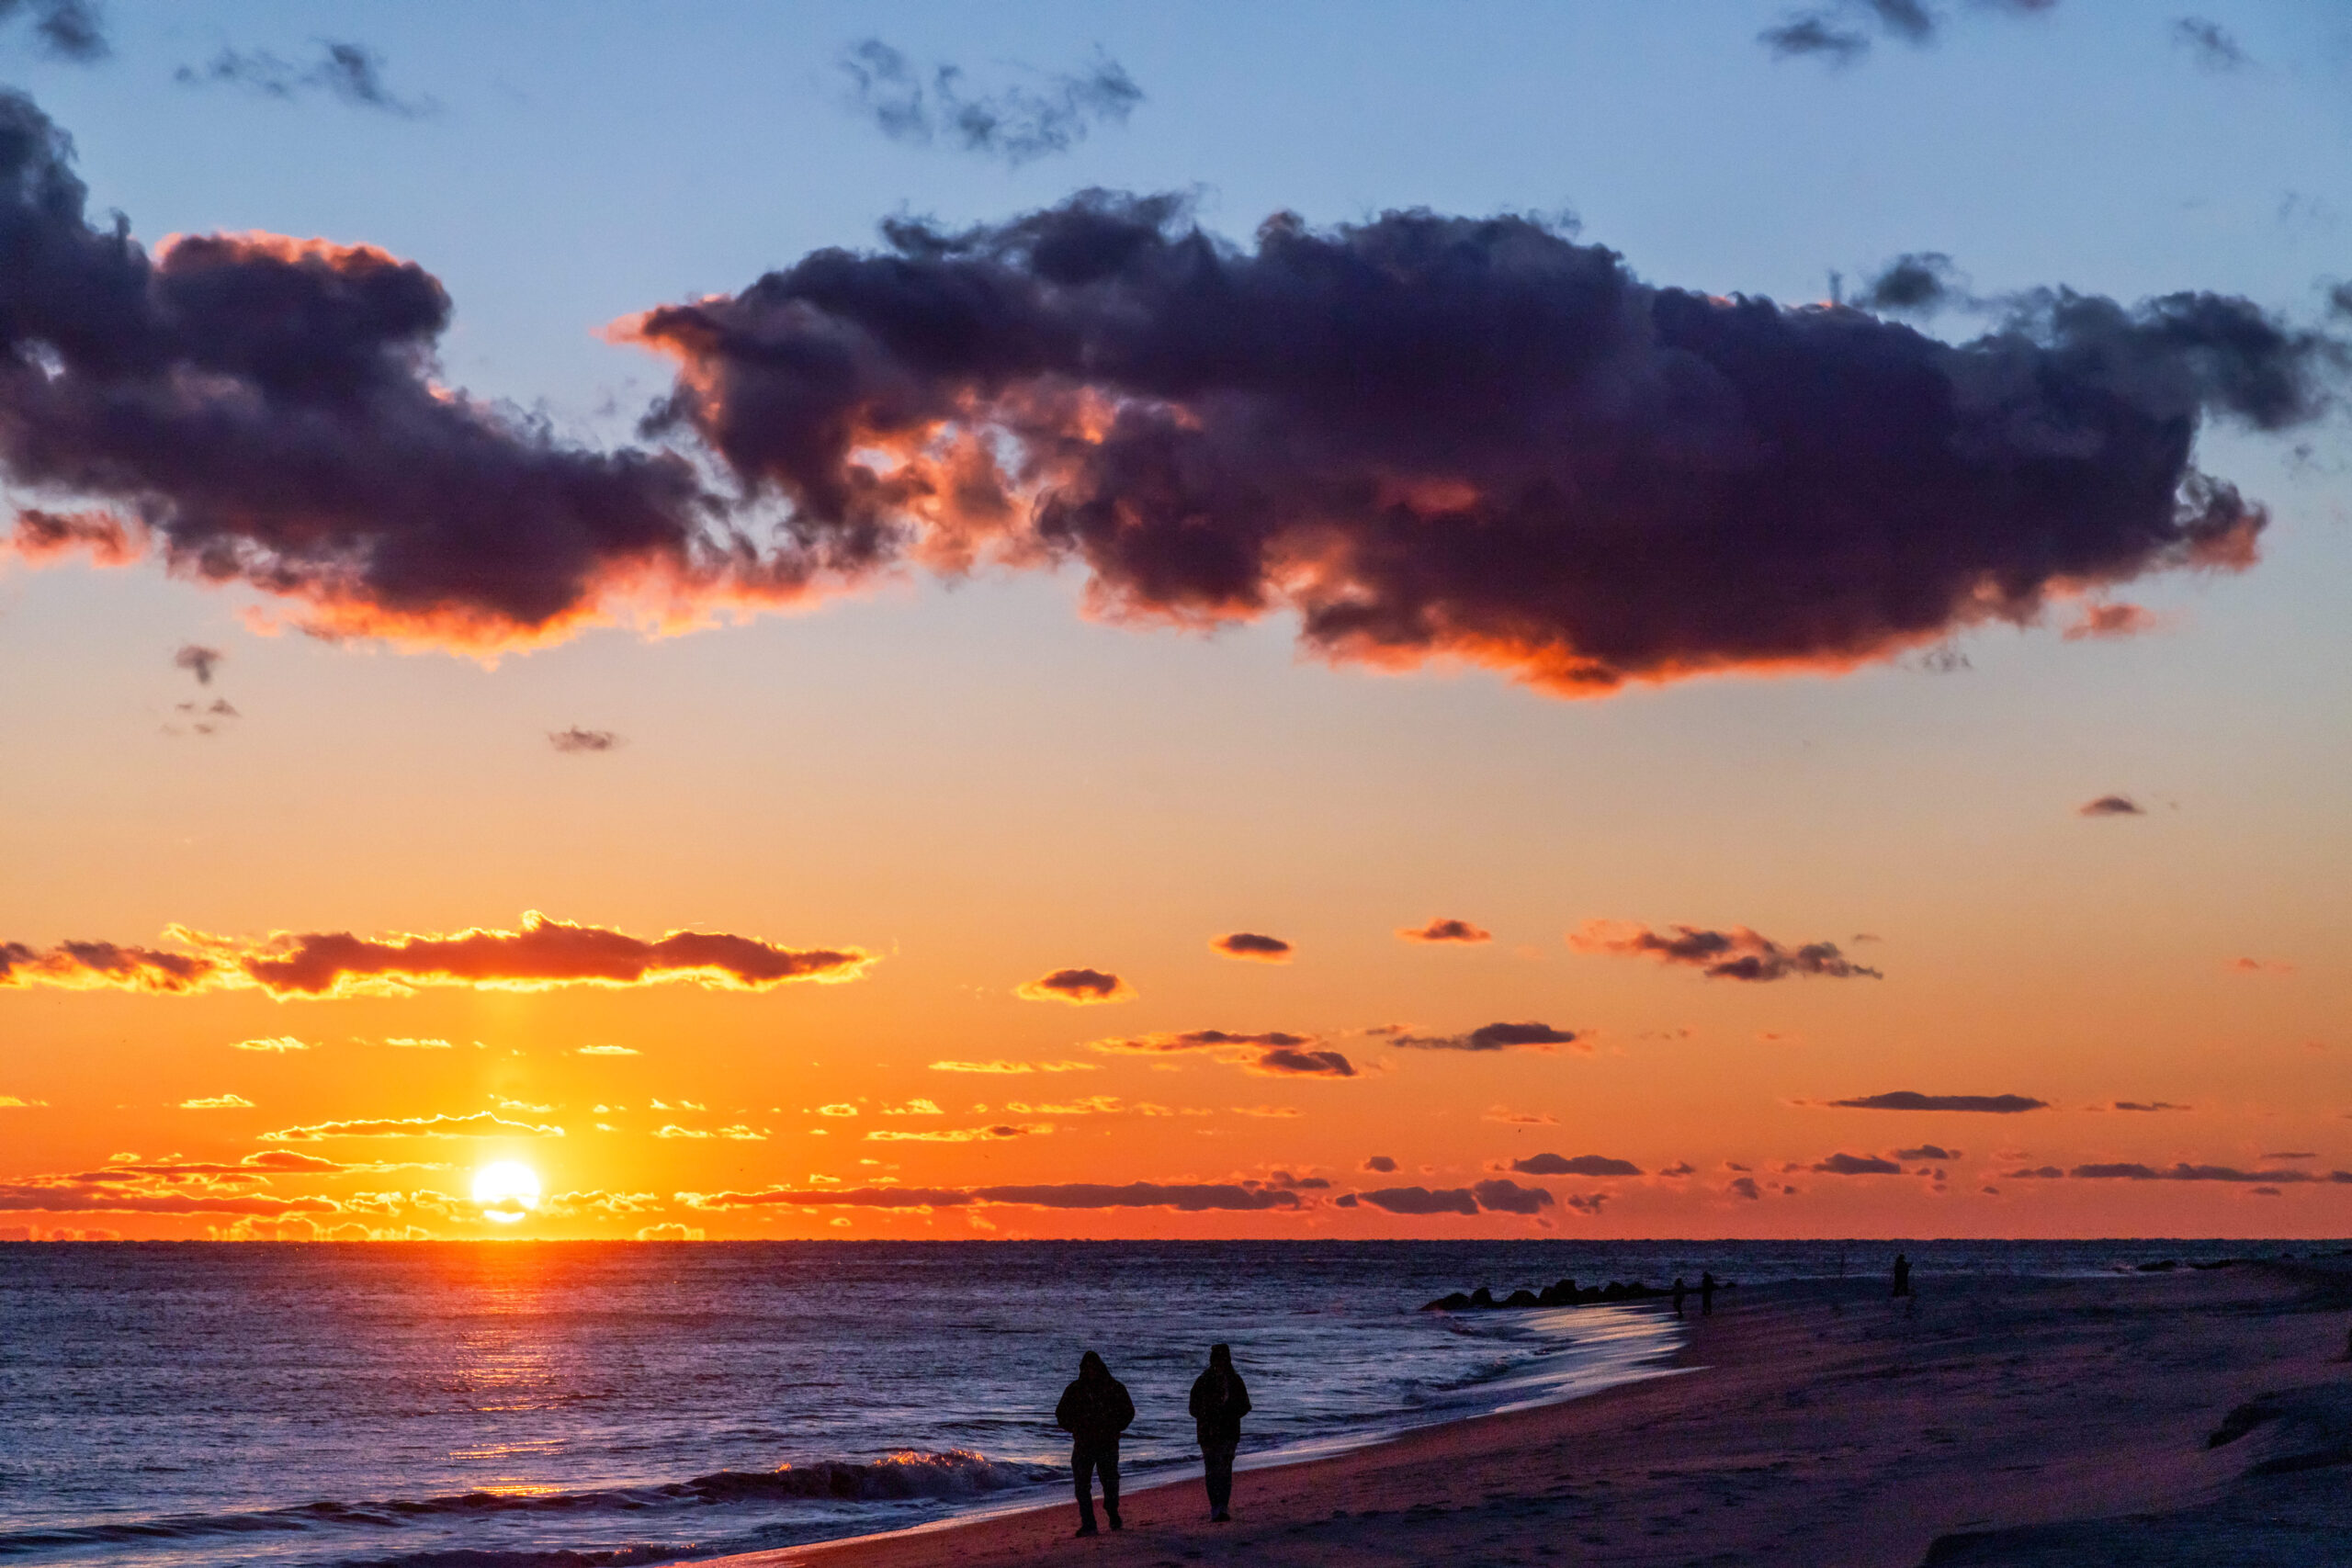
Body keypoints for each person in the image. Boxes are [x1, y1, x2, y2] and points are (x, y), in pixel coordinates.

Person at [1056, 1350, 1134, 1536]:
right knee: (1082, 1486)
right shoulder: (1075, 1389)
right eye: (1087, 1368)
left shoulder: (1114, 1387)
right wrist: (1075, 1429)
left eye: (1093, 1367)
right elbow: (1061, 1414)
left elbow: (1128, 1411)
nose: (1090, 1371)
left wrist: (1115, 1428)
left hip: (1107, 1444)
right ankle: (1089, 1523)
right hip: (1084, 1445)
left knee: (1110, 1483)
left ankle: (1113, 1514)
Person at [1188, 1342, 1252, 1522]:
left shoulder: (1233, 1381)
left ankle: (1221, 1506)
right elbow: (1193, 1409)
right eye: (1217, 1359)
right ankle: (1216, 1507)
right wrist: (1209, 1414)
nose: (1219, 1363)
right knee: (1213, 1470)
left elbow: (1245, 1406)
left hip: (1226, 1432)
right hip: (1210, 1433)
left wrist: (1229, 1413)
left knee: (1223, 1470)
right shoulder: (1204, 1381)